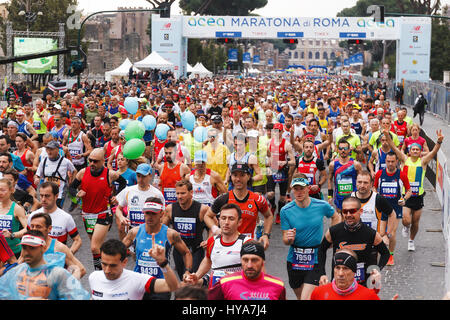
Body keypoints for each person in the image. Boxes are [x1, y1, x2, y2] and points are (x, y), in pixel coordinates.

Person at [281, 173, 340, 300]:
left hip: (315, 258)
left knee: (305, 298)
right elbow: (285, 239)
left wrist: (330, 238)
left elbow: (336, 216)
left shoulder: (321, 205)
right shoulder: (285, 210)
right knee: (300, 296)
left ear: (308, 188)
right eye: (296, 188)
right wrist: (289, 238)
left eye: (302, 188)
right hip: (294, 259)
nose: (299, 192)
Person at [384, 128, 444, 252]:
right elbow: (394, 148)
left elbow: (433, 152)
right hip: (406, 196)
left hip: (418, 196)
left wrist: (439, 142)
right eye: (413, 149)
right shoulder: (404, 160)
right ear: (409, 151)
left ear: (420, 151)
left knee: (416, 222)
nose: (415, 151)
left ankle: (411, 240)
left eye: (417, 149)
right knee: (406, 220)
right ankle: (406, 227)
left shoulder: (423, 161)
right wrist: (387, 135)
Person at [68, 148, 127, 270]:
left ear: (102, 161)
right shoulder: (83, 173)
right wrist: (77, 193)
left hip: (103, 213)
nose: (92, 164)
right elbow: (71, 189)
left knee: (94, 247)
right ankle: (109, 262)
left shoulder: (110, 174)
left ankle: (99, 271)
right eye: (90, 160)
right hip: (87, 215)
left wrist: (117, 197)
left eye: (95, 161)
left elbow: (123, 183)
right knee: (97, 247)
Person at [122, 197, 192, 300]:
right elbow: (118, 252)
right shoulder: (134, 232)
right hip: (139, 284)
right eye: (147, 213)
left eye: (153, 213)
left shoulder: (171, 234)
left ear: (161, 214)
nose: (150, 217)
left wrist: (187, 271)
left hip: (161, 284)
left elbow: (186, 253)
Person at [318, 196, 390, 287]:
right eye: (345, 211)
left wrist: (377, 270)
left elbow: (385, 253)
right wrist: (322, 273)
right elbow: (321, 250)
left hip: (363, 285)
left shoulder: (370, 233)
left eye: (352, 211)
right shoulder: (334, 231)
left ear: (360, 211)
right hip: (339, 284)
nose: (348, 215)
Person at [0, 229, 90, 300]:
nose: (27, 252)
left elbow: (80, 297)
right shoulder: (17, 271)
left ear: (43, 248)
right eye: (24, 247)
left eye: (32, 248)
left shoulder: (57, 274)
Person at [184, 203, 252, 288]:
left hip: (237, 291)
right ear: (219, 220)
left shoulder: (247, 243)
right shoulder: (212, 241)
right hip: (216, 291)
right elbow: (208, 260)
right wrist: (196, 276)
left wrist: (235, 277)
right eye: (223, 218)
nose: (226, 222)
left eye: (231, 219)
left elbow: (257, 273)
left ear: (239, 222)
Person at [205, 163, 273, 248]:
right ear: (231, 177)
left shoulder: (257, 199)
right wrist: (216, 230)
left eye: (242, 175)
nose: (238, 179)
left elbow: (269, 215)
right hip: (227, 246)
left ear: (248, 177)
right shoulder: (223, 199)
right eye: (235, 175)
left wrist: (266, 234)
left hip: (249, 246)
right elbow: (207, 216)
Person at [88, 238, 179, 300]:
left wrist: (163, 263)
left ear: (124, 262)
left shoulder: (137, 280)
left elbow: (172, 286)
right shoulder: (93, 277)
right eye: (104, 264)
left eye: (113, 266)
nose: (107, 270)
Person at [162, 179, 209, 280]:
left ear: (191, 193)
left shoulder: (202, 209)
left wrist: (209, 239)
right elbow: (161, 228)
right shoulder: (170, 209)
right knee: (182, 277)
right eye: (177, 193)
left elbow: (213, 226)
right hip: (179, 250)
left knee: (191, 278)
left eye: (183, 193)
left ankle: (193, 294)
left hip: (196, 249)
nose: (179, 196)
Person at [207, 240, 287, 300]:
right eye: (245, 260)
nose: (249, 265)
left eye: (254, 260)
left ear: (263, 262)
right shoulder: (224, 283)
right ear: (241, 261)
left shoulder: (278, 286)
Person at [374, 151, 412, 265]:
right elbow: (374, 188)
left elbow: (409, 191)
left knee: (392, 234)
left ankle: (390, 255)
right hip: (382, 208)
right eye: (388, 161)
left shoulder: (401, 175)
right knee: (381, 234)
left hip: (395, 208)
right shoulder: (379, 174)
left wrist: (404, 199)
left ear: (397, 162)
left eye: (392, 162)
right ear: (385, 162)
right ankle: (382, 251)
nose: (390, 164)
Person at [26, 212, 86, 279]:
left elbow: (81, 270)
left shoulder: (59, 247)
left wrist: (64, 285)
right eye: (32, 226)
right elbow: (20, 267)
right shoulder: (27, 245)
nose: (34, 229)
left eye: (38, 227)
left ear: (49, 229)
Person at [115, 163, 165, 240]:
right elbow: (118, 209)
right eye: (138, 176)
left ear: (150, 176)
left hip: (149, 234)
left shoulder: (157, 194)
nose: (141, 179)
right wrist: (121, 217)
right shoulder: (128, 190)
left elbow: (162, 215)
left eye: (144, 176)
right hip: (131, 232)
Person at [310, 249, 380, 300]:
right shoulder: (318, 292)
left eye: (345, 268)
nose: (340, 274)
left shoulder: (369, 296)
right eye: (337, 268)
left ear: (354, 271)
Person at [267, 122, 295, 224]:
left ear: (282, 132)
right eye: (274, 131)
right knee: (270, 194)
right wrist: (268, 161)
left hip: (282, 170)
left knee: (283, 197)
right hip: (272, 169)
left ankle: (279, 213)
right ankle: (273, 205)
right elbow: (266, 156)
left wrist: (285, 162)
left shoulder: (287, 144)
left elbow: (293, 161)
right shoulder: (269, 142)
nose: (276, 133)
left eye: (278, 131)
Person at [34, 140, 76, 208]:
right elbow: (37, 174)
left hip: (59, 193)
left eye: (51, 149)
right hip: (47, 193)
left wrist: (72, 182)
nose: (49, 151)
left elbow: (74, 171)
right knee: (48, 212)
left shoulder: (65, 161)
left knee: (57, 211)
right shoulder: (43, 161)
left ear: (57, 150)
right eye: (48, 149)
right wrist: (36, 179)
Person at [351, 171, 395, 236]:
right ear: (356, 182)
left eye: (365, 183)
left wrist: (387, 235)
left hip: (373, 242)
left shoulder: (378, 199)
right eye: (359, 182)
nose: (362, 185)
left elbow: (392, 215)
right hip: (354, 241)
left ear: (371, 184)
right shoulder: (349, 198)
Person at [328, 138, 363, 212]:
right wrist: (329, 196)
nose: (343, 150)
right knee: (340, 218)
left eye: (345, 148)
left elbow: (361, 180)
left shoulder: (356, 164)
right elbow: (329, 179)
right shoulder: (333, 164)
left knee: (353, 218)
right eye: (340, 148)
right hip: (339, 197)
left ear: (349, 149)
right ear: (338, 150)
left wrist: (361, 194)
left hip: (353, 196)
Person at [0, 178, 28, 259]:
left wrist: (12, 235)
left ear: (11, 190)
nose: (0, 193)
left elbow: (27, 228)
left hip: (13, 251)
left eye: (3, 190)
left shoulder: (17, 208)